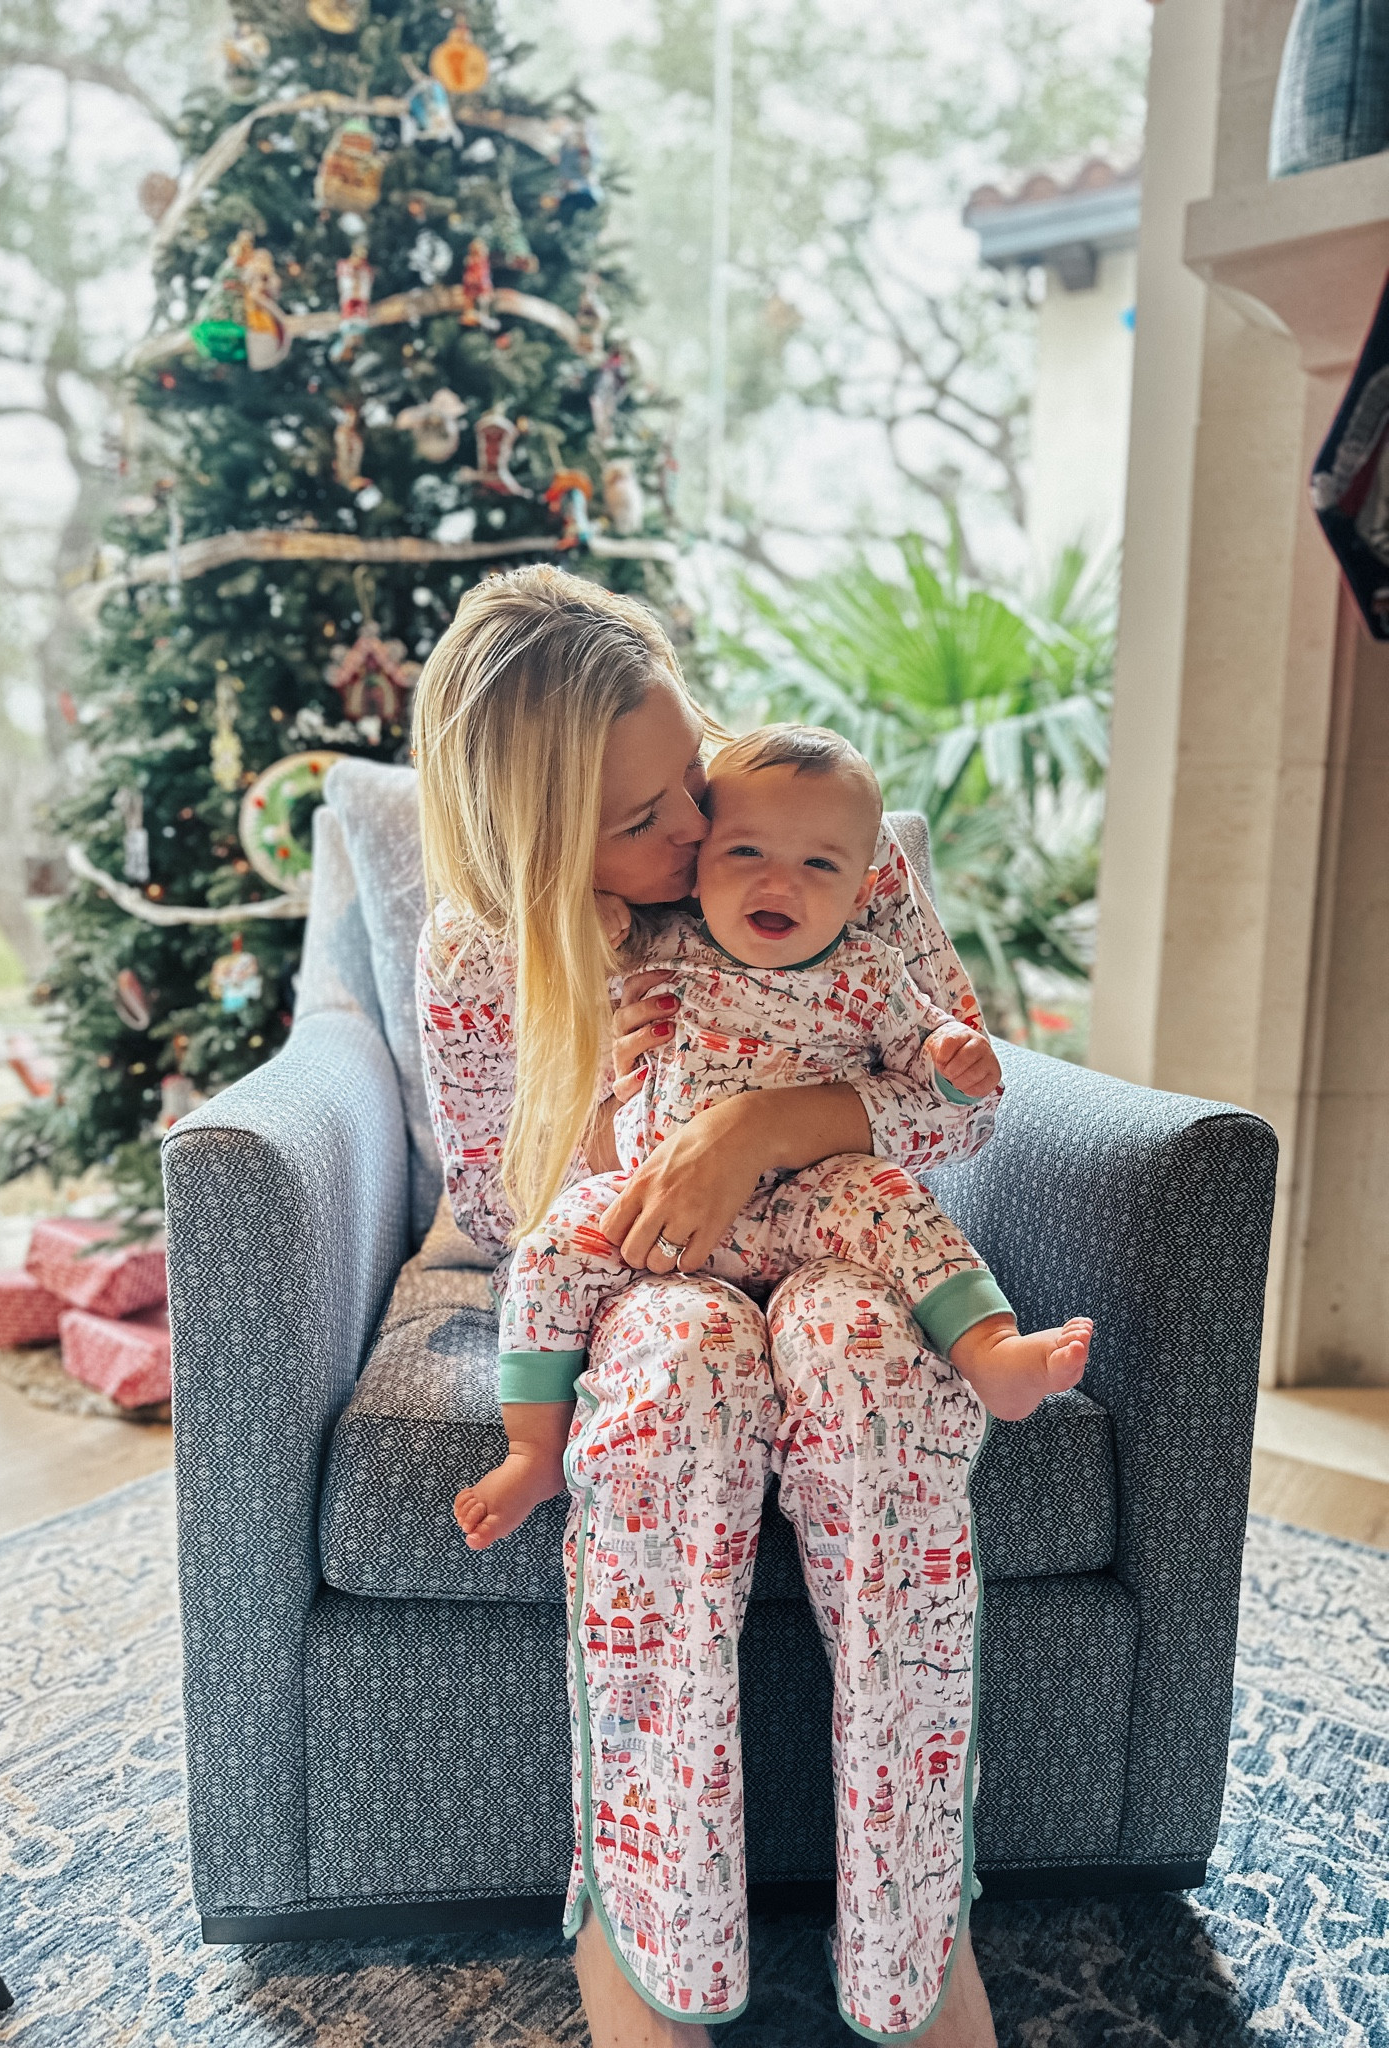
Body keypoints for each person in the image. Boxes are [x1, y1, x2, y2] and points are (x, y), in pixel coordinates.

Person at [415, 563, 1003, 2046]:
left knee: (868, 1370)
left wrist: (767, 1126)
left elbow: (965, 1112)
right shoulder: (483, 954)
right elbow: (501, 1208)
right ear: (541, 841)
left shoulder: (811, 840)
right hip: (642, 1285)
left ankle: (921, 1944)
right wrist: (656, 1178)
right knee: (676, 1389)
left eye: (686, 778)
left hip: (847, 1243)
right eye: (640, 821)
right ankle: (647, 1936)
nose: (692, 836)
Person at [454, 722, 1091, 1550]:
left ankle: (991, 1349)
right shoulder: (657, 943)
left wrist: (948, 1063)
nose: (778, 883)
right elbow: (503, 1187)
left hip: (814, 1208)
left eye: (819, 868)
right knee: (548, 1250)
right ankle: (533, 1449)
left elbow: (937, 1069)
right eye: (743, 855)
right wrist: (589, 945)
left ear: (861, 891)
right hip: (668, 1226)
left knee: (891, 1201)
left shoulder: (869, 969)